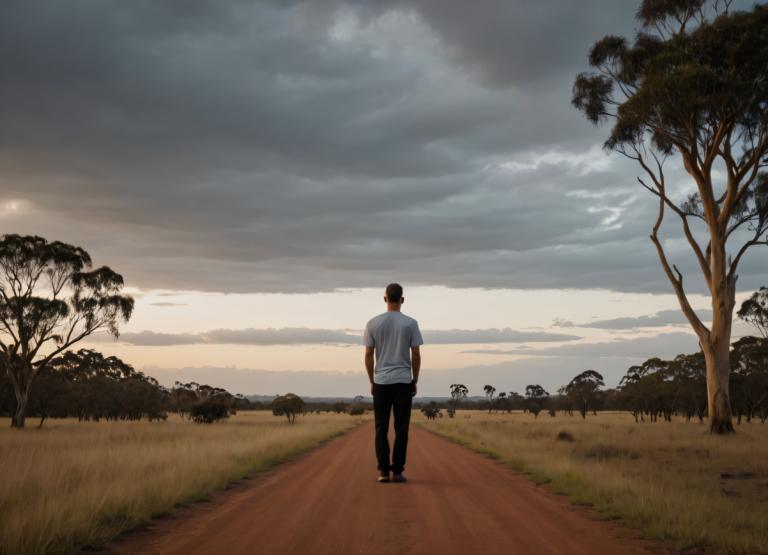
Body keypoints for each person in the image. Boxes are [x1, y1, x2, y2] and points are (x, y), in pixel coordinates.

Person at [363, 283, 423, 483]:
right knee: (401, 428)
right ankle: (397, 471)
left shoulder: (373, 323)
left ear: (385, 298)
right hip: (403, 381)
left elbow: (369, 355)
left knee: (381, 427)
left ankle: (383, 472)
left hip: (381, 382)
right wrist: (414, 380)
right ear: (402, 300)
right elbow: (415, 354)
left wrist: (372, 381)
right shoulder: (410, 323)